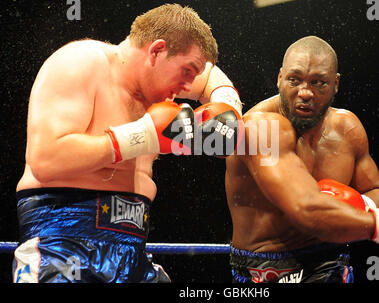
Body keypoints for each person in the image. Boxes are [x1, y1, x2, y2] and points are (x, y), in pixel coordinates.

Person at [13, 4, 243, 283]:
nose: (188, 87)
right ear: (156, 51)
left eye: (193, 77)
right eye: (186, 72)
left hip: (133, 248)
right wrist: (141, 136)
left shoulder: (158, 87)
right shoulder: (81, 62)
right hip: (64, 244)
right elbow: (46, 161)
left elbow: (208, 75)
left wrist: (228, 106)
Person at [225, 36, 379, 283]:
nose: (305, 92)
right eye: (294, 80)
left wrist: (358, 205)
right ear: (279, 78)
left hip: (330, 259)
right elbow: (307, 210)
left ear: (335, 83)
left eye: (318, 83)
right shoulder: (260, 127)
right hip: (265, 269)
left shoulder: (347, 128)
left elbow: (375, 189)